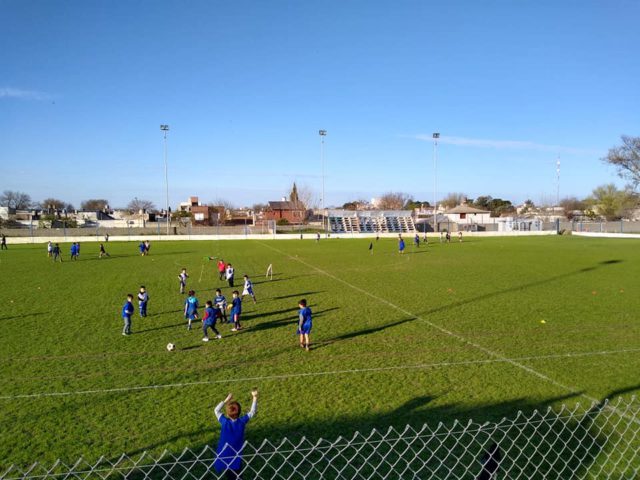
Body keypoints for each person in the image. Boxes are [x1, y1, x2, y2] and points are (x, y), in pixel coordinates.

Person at [213, 389, 258, 479]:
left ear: (227, 413)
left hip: (224, 454)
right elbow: (252, 412)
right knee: (237, 475)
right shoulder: (241, 422)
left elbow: (216, 410)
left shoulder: (224, 422)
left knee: (229, 475)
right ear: (239, 412)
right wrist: (255, 397)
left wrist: (226, 400)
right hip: (236, 455)